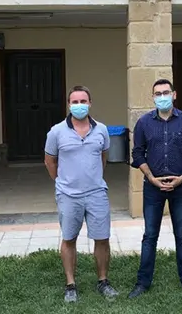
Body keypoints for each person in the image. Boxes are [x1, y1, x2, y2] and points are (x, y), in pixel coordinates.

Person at [128, 79, 182, 299]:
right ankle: (142, 283)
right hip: (153, 187)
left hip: (181, 187)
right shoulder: (143, 123)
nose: (162, 96)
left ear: (174, 94)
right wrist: (151, 177)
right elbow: (137, 153)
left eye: (165, 92)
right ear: (152, 97)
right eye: (157, 93)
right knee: (150, 235)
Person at [44, 85, 119, 303]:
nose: (79, 105)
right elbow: (49, 160)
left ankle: (103, 281)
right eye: (75, 102)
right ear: (69, 105)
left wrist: (93, 178)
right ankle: (70, 285)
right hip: (68, 195)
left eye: (83, 101)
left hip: (96, 193)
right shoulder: (56, 132)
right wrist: (61, 182)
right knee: (69, 239)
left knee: (102, 238)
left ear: (90, 103)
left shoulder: (102, 130)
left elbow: (103, 157)